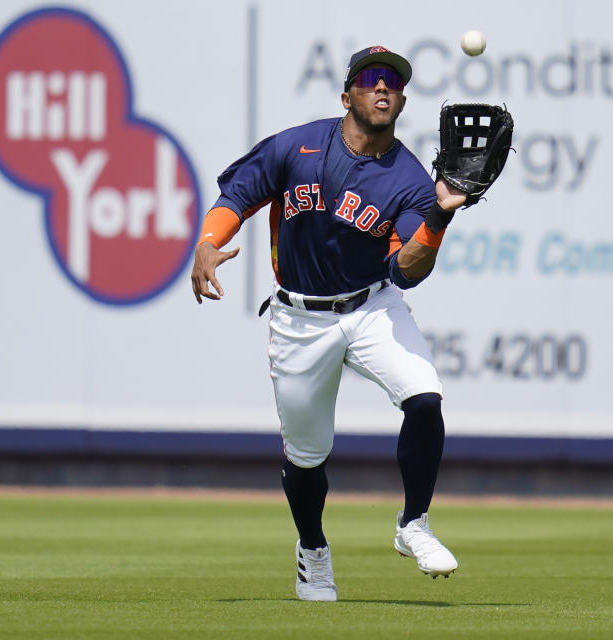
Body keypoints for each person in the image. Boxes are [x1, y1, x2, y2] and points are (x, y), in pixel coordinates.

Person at [190, 46, 468, 602]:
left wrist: (438, 215)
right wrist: (206, 243)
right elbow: (238, 193)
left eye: (393, 81)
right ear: (348, 96)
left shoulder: (411, 178)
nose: (382, 87)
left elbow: (407, 271)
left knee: (425, 397)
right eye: (370, 79)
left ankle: (413, 523)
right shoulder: (297, 145)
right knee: (307, 456)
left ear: (403, 100)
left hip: (371, 305)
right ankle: (312, 551)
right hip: (299, 318)